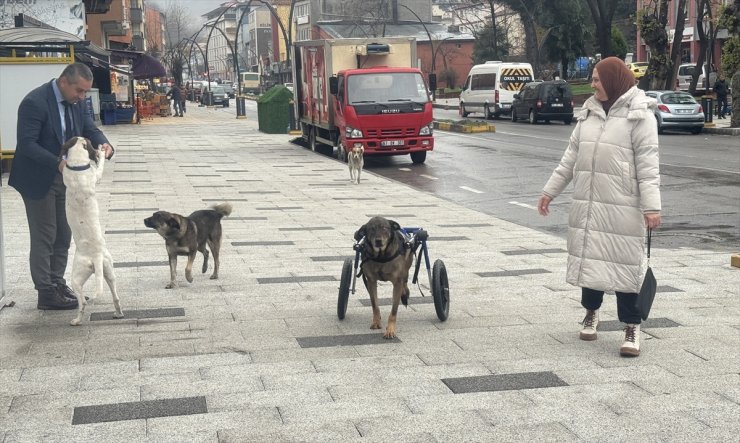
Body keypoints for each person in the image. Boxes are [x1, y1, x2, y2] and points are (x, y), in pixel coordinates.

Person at [537, 57, 661, 358]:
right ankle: (591, 313)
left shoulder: (640, 116)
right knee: (590, 259)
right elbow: (570, 159)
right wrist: (549, 192)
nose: (593, 85)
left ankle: (632, 327)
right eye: (592, 79)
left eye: (597, 79)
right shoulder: (588, 114)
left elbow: (648, 166)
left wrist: (652, 207)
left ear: (614, 80)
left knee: (624, 265)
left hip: (623, 205)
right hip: (589, 203)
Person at [8, 62, 114, 310]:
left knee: (64, 234)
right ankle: (45, 292)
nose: (82, 96)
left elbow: (89, 129)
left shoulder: (77, 103)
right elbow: (27, 144)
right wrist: (58, 163)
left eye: (85, 92)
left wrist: (105, 144)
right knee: (45, 234)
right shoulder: (35, 102)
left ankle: (58, 284)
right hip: (38, 177)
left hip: (67, 178)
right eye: (79, 90)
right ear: (63, 81)